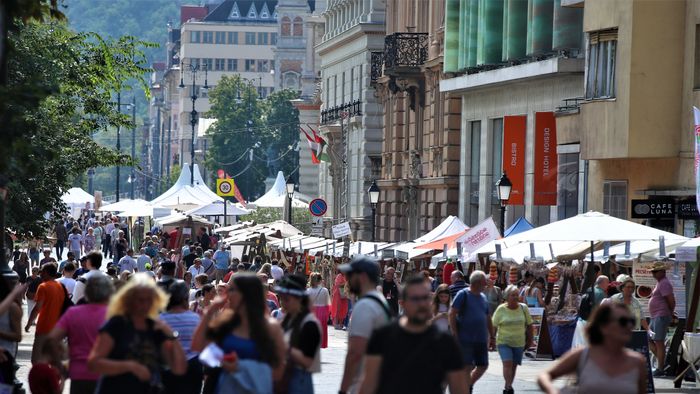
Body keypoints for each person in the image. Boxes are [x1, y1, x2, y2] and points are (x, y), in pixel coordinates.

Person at [359, 275, 467, 394]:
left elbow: (459, 388)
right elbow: (368, 384)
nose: (421, 304)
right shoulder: (383, 337)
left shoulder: (446, 342)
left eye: (425, 298)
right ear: (402, 303)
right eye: (415, 299)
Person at [87, 273, 187, 394]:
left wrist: (171, 336)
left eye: (149, 300)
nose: (145, 305)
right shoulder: (117, 325)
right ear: (129, 300)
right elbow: (94, 363)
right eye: (140, 300)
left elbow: (179, 368)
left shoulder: (156, 328)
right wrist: (130, 366)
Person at [191, 273, 286, 394]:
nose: (227, 294)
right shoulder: (224, 322)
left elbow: (278, 372)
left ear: (247, 294)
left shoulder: (270, 327)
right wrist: (210, 311)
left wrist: (240, 366)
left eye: (232, 289)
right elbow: (197, 346)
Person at [537, 303, 647, 394]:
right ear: (603, 327)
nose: (628, 326)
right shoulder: (583, 355)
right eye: (622, 322)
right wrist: (553, 392)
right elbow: (544, 376)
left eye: (631, 321)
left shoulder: (637, 361)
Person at [49, 276, 115, 394]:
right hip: (106, 376)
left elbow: (51, 339)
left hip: (79, 374)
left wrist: (59, 363)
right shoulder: (114, 316)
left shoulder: (73, 313)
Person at [338, 256, 392, 394]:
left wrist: (343, 390)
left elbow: (355, 354)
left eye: (350, 275)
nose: (347, 279)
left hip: (365, 385)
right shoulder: (379, 300)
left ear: (362, 277)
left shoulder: (365, 306)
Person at [448, 270, 494, 392]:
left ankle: (468, 385)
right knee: (467, 366)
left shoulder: (483, 297)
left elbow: (487, 317)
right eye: (484, 283)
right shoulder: (463, 294)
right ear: (477, 283)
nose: (485, 285)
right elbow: (452, 314)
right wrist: (455, 333)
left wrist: (492, 336)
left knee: (483, 365)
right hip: (465, 339)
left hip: (480, 339)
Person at [277, 274, 322, 394]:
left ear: (299, 299)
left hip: (298, 381)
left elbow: (307, 361)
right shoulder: (289, 319)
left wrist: (283, 345)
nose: (283, 303)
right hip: (287, 377)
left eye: (287, 299)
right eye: (281, 299)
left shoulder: (310, 324)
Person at [160, 281, 203, 394]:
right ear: (186, 298)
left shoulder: (160, 320)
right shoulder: (196, 319)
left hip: (168, 369)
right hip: (192, 369)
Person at [492, 285, 534, 394]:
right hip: (503, 342)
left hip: (519, 343)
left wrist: (530, 340)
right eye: (513, 295)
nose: (515, 297)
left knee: (514, 366)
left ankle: (507, 386)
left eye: (517, 295)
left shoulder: (523, 308)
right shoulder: (501, 309)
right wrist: (491, 338)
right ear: (507, 296)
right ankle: (509, 388)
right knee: (507, 364)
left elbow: (529, 324)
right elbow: (494, 325)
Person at [26, 263, 65, 364]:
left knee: (36, 360)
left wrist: (29, 324)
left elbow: (37, 308)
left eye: (42, 272)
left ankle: (40, 378)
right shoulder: (60, 286)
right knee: (55, 360)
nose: (41, 275)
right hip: (57, 328)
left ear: (47, 273)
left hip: (44, 327)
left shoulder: (43, 287)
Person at [648, 262, 675, 377]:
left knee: (659, 342)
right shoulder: (660, 283)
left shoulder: (664, 283)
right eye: (652, 272)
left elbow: (671, 300)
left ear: (662, 272)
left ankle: (660, 368)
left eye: (655, 271)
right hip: (656, 315)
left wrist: (670, 312)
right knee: (649, 338)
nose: (653, 274)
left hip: (661, 315)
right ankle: (662, 363)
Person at [307, 272, 331, 348]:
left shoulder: (308, 291)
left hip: (311, 312)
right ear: (320, 280)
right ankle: (320, 344)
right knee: (321, 330)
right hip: (322, 311)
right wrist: (328, 314)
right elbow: (327, 303)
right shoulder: (324, 290)